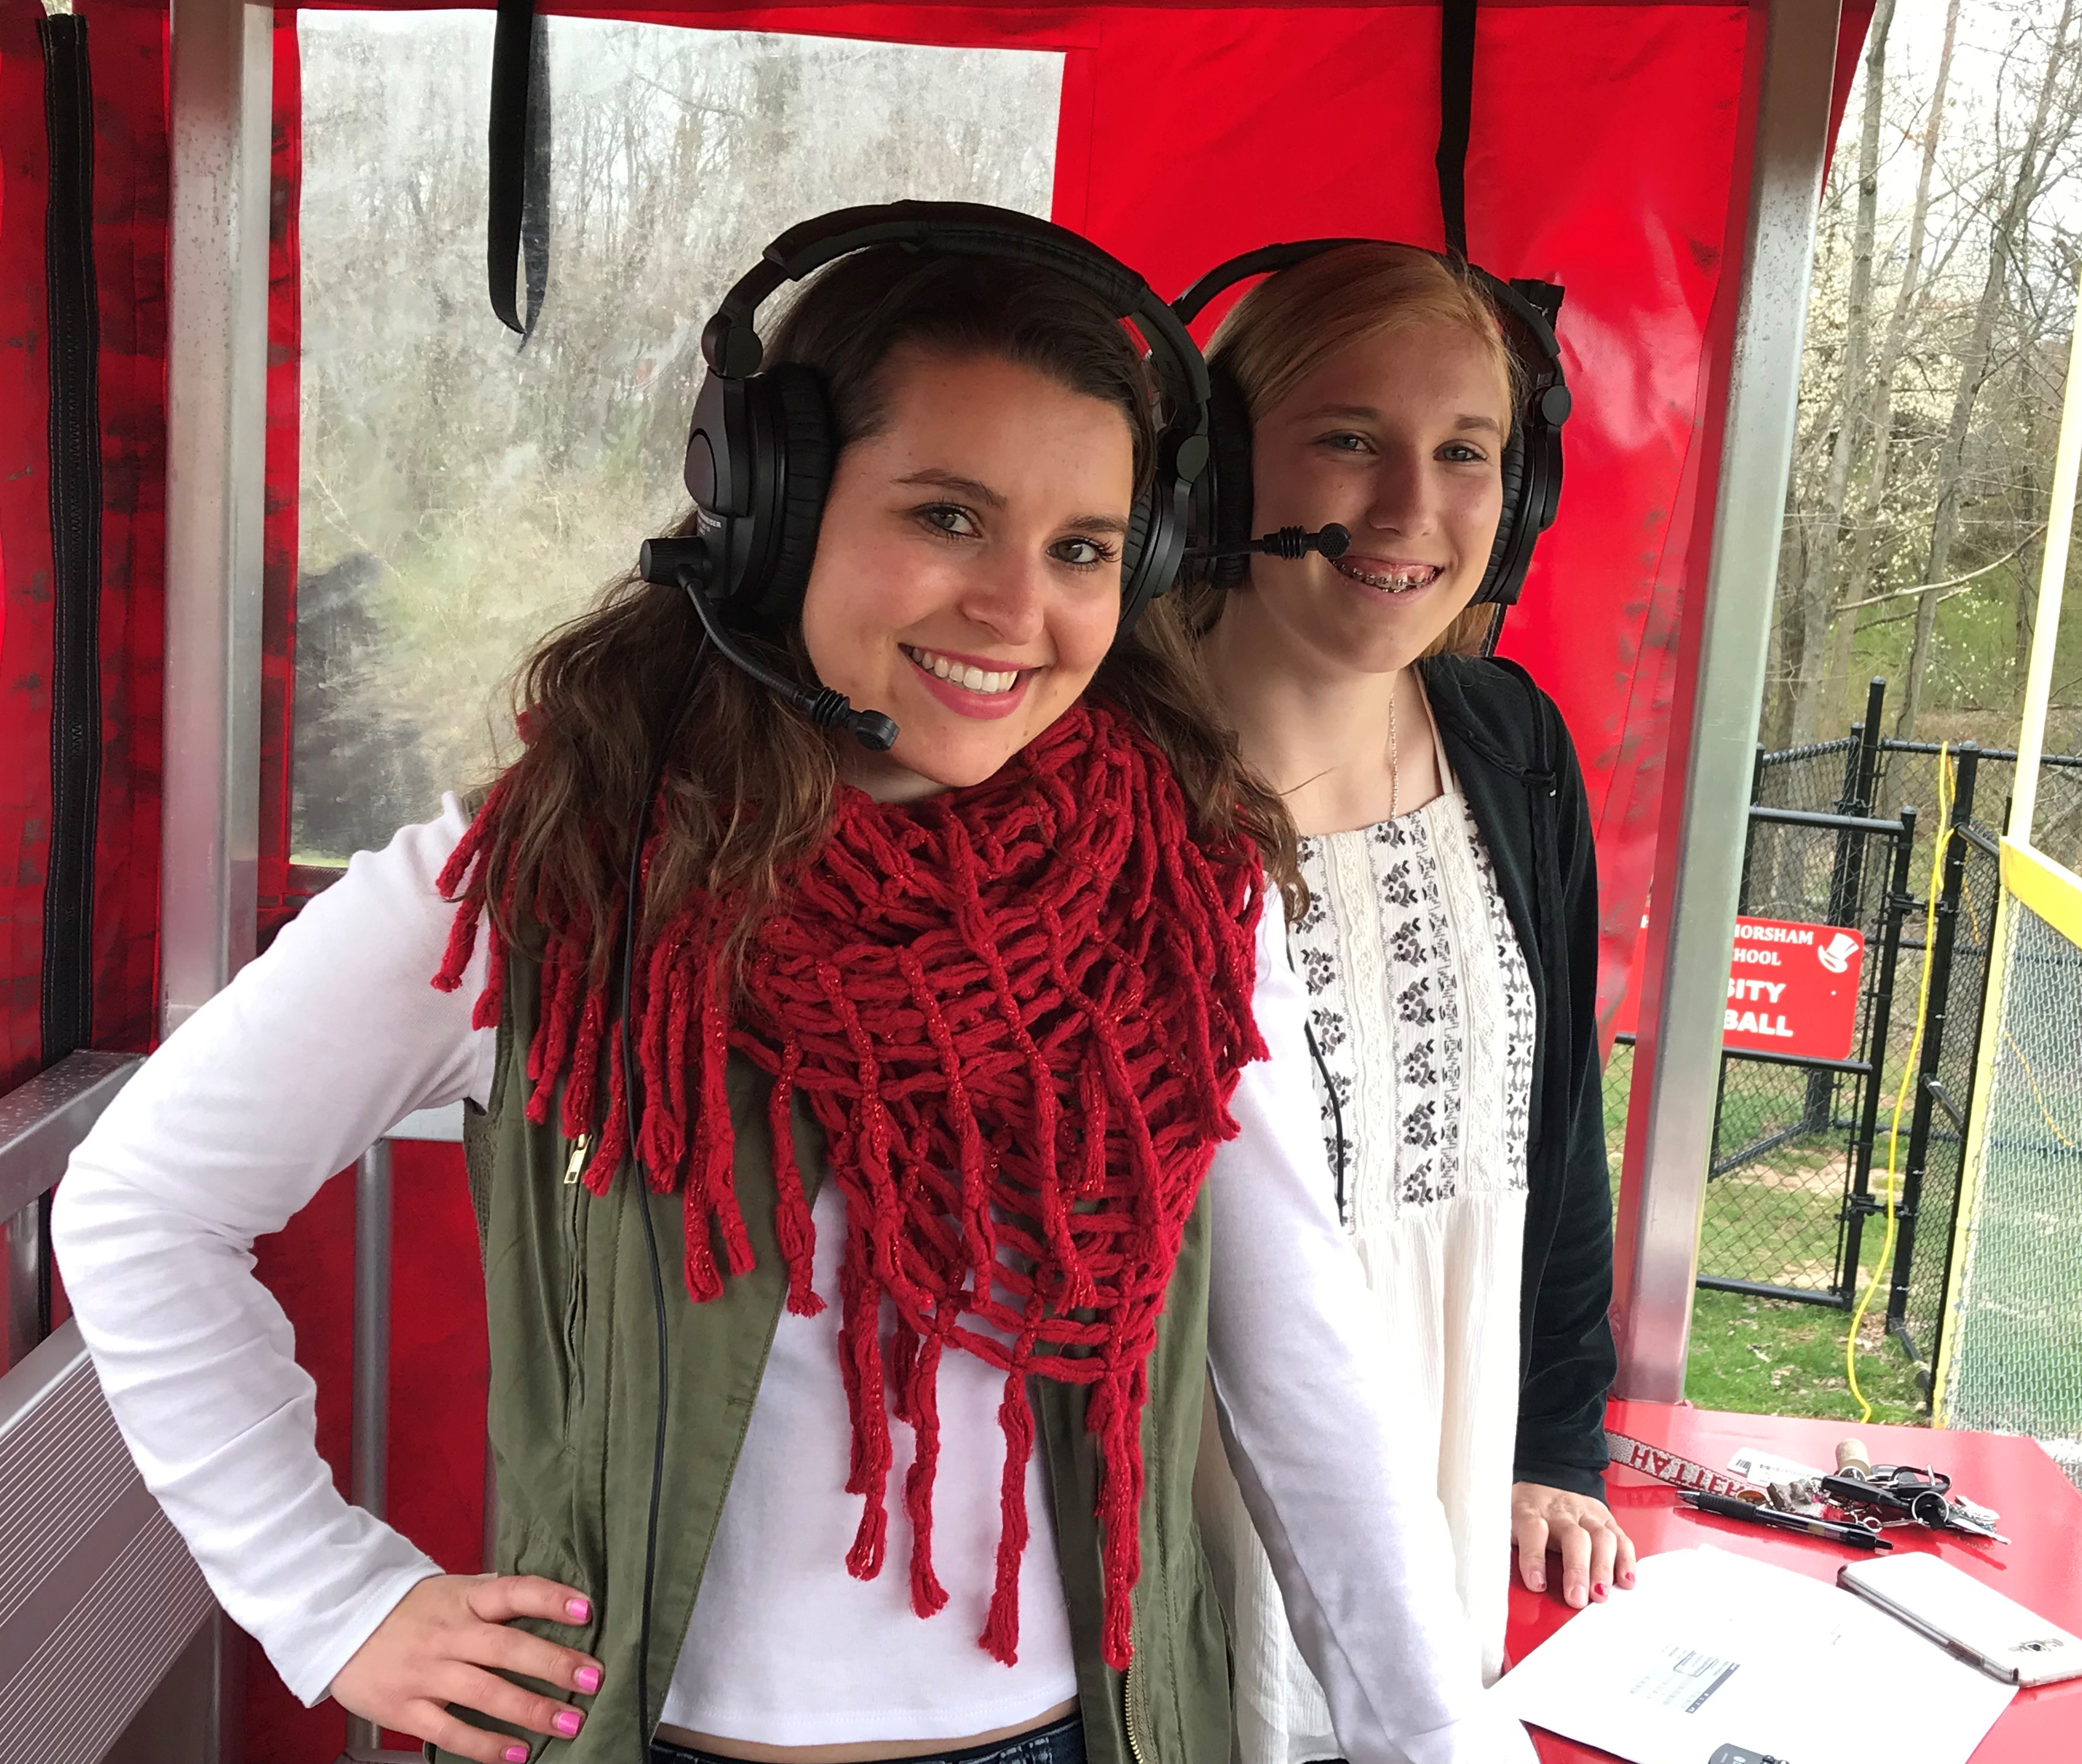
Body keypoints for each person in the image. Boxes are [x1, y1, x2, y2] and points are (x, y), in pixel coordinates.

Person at [54, 210, 1536, 1764]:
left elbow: (1301, 1365)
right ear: (770, 513)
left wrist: (1439, 1741)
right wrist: (328, 1597)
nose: (1016, 609)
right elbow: (141, 1205)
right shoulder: (554, 879)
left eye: (1082, 549)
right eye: (949, 517)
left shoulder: (1176, 887)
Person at [1177, 241, 1631, 1764]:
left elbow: (1556, 1133)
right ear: (1222, 461)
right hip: (1178, 1539)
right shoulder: (1104, 768)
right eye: (1349, 439)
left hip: (1443, 1540)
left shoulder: (1511, 747)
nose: (1409, 510)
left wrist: (1559, 1443)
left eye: (1464, 453)